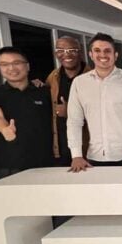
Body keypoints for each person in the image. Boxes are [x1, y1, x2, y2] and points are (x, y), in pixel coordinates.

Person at [67, 33, 122, 172]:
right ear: (91, 55)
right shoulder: (79, 83)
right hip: (94, 158)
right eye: (97, 50)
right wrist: (76, 155)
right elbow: (74, 121)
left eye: (107, 51)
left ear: (115, 55)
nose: (103, 55)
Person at [0, 47, 54, 178]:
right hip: (9, 165)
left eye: (16, 63)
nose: (11, 68)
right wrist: (4, 129)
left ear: (27, 66)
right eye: (4, 64)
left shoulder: (44, 92)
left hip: (46, 162)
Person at [45, 35, 90, 167]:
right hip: (60, 147)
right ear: (56, 54)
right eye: (61, 50)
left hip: (87, 148)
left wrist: (70, 112)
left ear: (80, 53)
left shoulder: (93, 77)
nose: (66, 54)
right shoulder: (53, 77)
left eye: (72, 50)